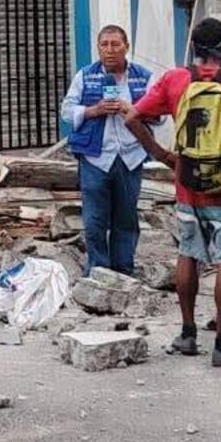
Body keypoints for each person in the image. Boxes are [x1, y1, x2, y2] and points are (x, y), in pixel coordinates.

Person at [125, 15, 221, 368]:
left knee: (188, 254)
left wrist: (164, 156)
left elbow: (132, 117)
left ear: (195, 48)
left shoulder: (175, 79)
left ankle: (187, 334)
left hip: (187, 183)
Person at [60, 24, 154, 276]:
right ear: (98, 48)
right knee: (94, 220)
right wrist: (94, 110)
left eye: (115, 44)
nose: (110, 50)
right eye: (104, 45)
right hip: (96, 157)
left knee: (126, 217)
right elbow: (67, 110)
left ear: (126, 47)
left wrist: (130, 110)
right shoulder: (85, 76)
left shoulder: (143, 77)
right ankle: (99, 270)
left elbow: (159, 115)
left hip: (130, 156)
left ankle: (123, 270)